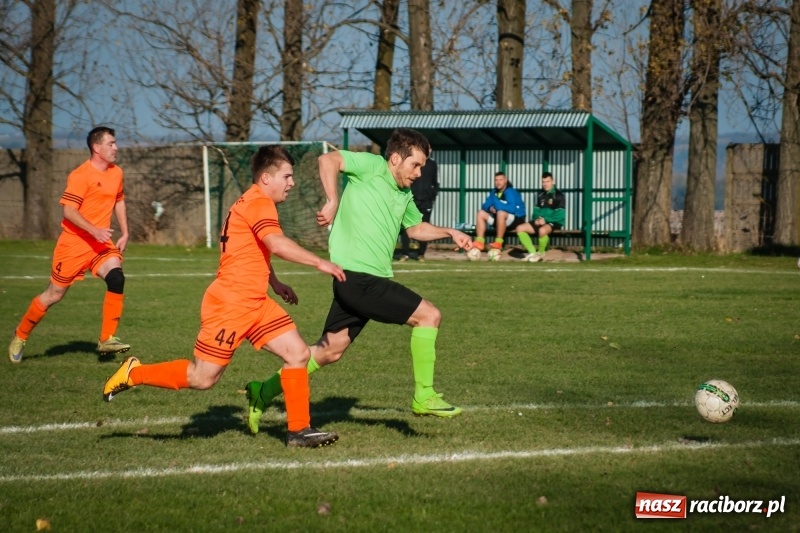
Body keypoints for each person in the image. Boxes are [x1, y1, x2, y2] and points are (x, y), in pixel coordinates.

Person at [102, 145, 344, 448]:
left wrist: (275, 282)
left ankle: (299, 430)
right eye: (287, 176)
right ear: (266, 178)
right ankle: (134, 373)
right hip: (230, 304)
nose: (291, 182)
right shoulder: (259, 203)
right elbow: (277, 243)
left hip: (255, 301)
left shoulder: (255, 202)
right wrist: (320, 261)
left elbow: (253, 249)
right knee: (203, 378)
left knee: (298, 354)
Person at [244, 128, 472, 433]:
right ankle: (424, 395)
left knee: (329, 351)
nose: (419, 173)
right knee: (429, 315)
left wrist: (450, 232)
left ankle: (264, 390)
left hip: (360, 279)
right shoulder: (370, 166)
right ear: (394, 158)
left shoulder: (403, 194)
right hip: (358, 278)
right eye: (415, 165)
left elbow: (416, 229)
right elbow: (328, 160)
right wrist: (333, 200)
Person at [8, 127, 131, 363]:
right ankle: (20, 335)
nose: (116, 148)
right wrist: (94, 229)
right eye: (111, 144)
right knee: (53, 295)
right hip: (73, 245)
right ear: (97, 148)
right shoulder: (80, 175)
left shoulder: (116, 173)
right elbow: (68, 210)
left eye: (115, 143)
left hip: (100, 245)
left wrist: (125, 232)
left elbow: (120, 201)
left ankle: (107, 338)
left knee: (117, 278)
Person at [514, 172, 566, 262]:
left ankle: (541, 253)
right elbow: (536, 211)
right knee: (519, 228)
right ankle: (532, 253)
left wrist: (545, 220)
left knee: (542, 230)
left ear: (553, 182)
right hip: (541, 221)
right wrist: (536, 219)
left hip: (554, 221)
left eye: (548, 181)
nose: (545, 184)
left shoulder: (559, 195)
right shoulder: (540, 194)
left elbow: (560, 215)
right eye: (543, 182)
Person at [471, 171, 526, 251]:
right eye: (496, 180)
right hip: (501, 219)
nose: (498, 182)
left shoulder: (510, 191)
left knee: (500, 213)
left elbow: (512, 209)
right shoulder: (494, 192)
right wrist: (490, 208)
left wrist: (496, 206)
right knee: (480, 213)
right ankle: (480, 242)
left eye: (500, 180)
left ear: (505, 180)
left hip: (517, 219)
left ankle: (498, 243)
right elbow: (485, 205)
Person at [398, 152, 439, 261]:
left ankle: (421, 254)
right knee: (407, 226)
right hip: (413, 199)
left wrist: (432, 195)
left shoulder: (432, 164)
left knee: (424, 225)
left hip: (426, 201)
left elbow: (435, 182)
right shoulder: (414, 162)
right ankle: (405, 253)